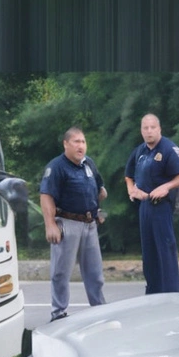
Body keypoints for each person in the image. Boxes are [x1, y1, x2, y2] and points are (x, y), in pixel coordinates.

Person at [39, 127, 107, 321]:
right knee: (61, 272)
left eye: (83, 142)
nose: (81, 146)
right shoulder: (57, 167)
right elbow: (46, 196)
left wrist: (97, 208)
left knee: (95, 273)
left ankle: (99, 309)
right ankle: (58, 313)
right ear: (66, 144)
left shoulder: (89, 164)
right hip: (67, 223)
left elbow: (98, 189)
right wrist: (50, 224)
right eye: (76, 142)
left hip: (89, 224)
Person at [125, 113, 179, 294]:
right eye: (145, 128)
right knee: (149, 254)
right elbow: (128, 174)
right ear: (141, 131)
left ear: (159, 129)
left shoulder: (168, 149)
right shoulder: (140, 151)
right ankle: (153, 293)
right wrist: (132, 189)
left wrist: (166, 187)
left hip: (161, 207)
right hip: (144, 206)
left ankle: (170, 293)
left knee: (165, 251)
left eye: (152, 127)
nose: (149, 131)